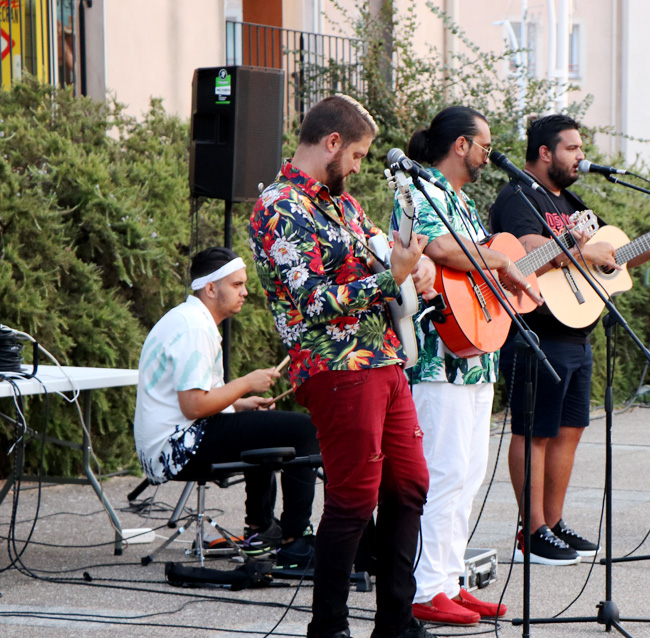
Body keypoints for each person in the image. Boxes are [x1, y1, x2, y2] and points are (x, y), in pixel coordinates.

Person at [248, 94, 437, 638]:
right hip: (334, 366)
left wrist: (416, 265)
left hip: (383, 357)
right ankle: (328, 628)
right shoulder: (280, 207)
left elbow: (386, 249)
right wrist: (390, 278)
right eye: (356, 155)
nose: (358, 166)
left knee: (409, 485)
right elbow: (312, 300)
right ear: (332, 143)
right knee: (354, 495)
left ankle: (396, 623)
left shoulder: (342, 203)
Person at [488, 114, 650, 565]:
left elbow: (610, 261)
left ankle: (554, 523)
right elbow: (524, 255)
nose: (582, 157)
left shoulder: (574, 202)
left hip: (579, 333)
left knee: (570, 429)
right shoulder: (519, 196)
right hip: (538, 332)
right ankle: (531, 531)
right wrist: (581, 250)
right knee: (533, 431)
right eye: (573, 148)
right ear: (545, 153)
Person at [393, 106, 540, 627]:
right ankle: (424, 587)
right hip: (438, 360)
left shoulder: (461, 200)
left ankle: (449, 580)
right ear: (460, 145)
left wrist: (513, 280)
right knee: (443, 474)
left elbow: (477, 273)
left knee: (470, 474)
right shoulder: (419, 191)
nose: (488, 153)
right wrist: (501, 261)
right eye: (484, 143)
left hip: (477, 360)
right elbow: (437, 248)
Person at [133, 247, 319, 568]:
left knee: (263, 426)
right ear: (210, 288)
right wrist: (246, 383)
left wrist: (240, 403)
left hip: (172, 443)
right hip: (176, 448)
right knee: (303, 430)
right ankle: (295, 542)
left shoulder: (190, 319)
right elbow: (193, 406)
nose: (245, 292)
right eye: (237, 285)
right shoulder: (195, 327)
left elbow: (198, 397)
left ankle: (260, 532)